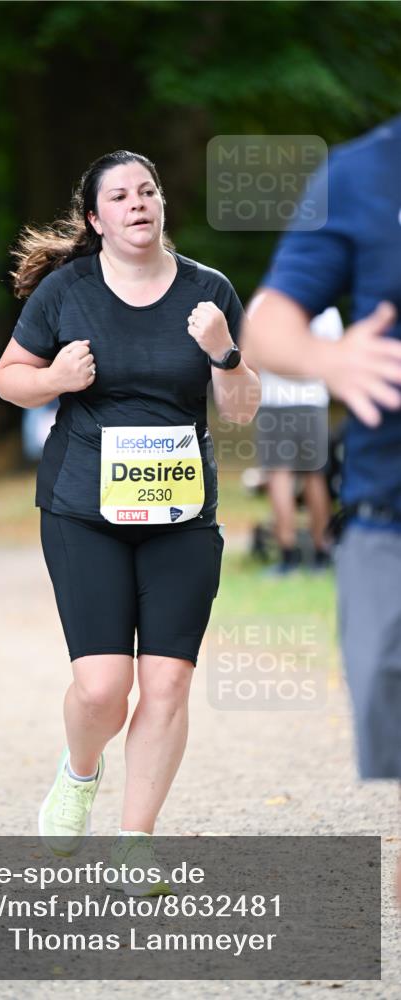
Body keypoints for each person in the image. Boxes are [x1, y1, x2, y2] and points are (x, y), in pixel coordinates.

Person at [0, 150, 260, 893]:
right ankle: (80, 773)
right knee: (101, 688)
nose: (137, 203)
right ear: (95, 218)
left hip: (180, 513)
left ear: (160, 205)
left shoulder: (210, 294)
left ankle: (135, 840)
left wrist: (226, 354)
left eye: (147, 191)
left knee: (168, 685)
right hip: (85, 509)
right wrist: (53, 379)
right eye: (119, 195)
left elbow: (240, 409)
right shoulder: (65, 291)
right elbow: (8, 377)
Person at [242, 117, 401, 891]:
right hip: (385, 495)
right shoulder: (361, 174)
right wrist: (328, 359)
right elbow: (267, 320)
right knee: (379, 674)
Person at [255, 306, 343, 574]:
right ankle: (321, 552)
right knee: (315, 477)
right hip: (311, 402)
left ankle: (288, 556)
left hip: (274, 402)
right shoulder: (327, 310)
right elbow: (334, 359)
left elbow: (252, 353)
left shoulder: (266, 301)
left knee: (278, 476)